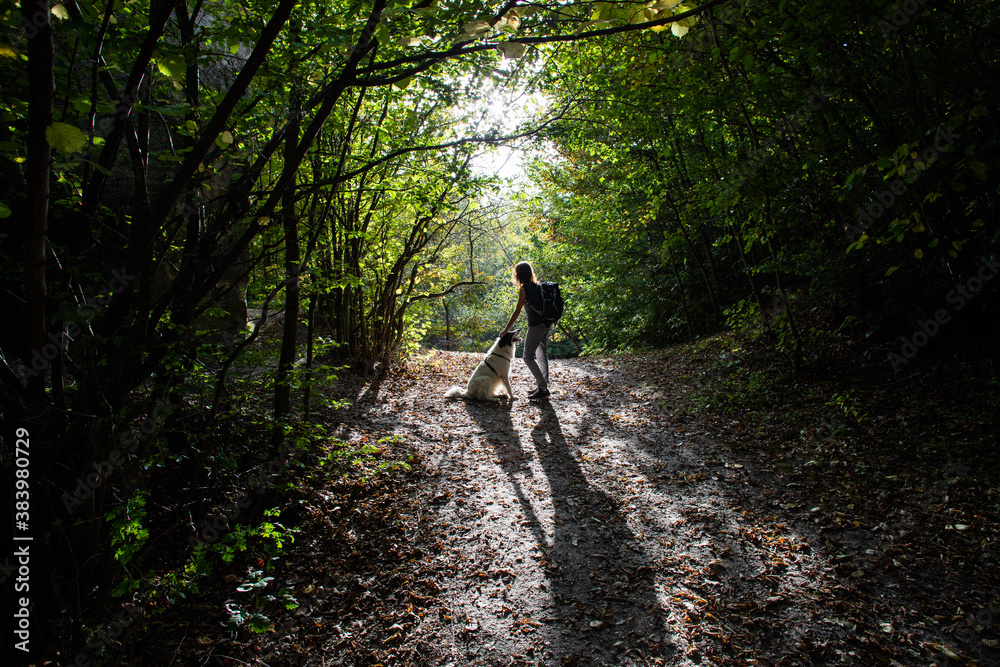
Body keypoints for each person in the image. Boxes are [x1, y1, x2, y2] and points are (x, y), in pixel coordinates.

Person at [500, 261, 551, 399]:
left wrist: (506, 329)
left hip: (536, 326)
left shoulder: (524, 289)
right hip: (545, 324)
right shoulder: (538, 287)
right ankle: (543, 386)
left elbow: (517, 311)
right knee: (541, 356)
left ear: (518, 274)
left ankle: (543, 389)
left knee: (527, 357)